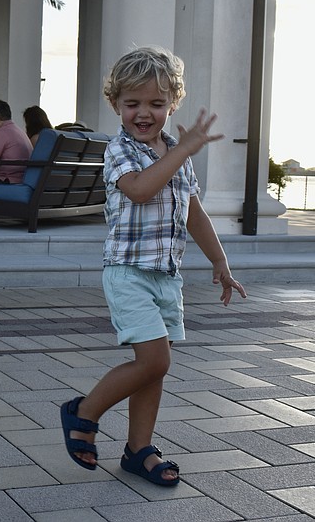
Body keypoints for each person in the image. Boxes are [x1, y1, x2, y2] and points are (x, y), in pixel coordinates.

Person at [59, 46, 247, 486]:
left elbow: (193, 212)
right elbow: (141, 190)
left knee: (155, 366)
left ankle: (138, 449)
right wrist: (181, 152)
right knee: (155, 360)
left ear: (172, 105)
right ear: (115, 105)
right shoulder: (120, 151)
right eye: (133, 104)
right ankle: (83, 412)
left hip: (166, 277)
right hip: (128, 272)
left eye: (156, 104)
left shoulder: (174, 154)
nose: (144, 113)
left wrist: (219, 260)